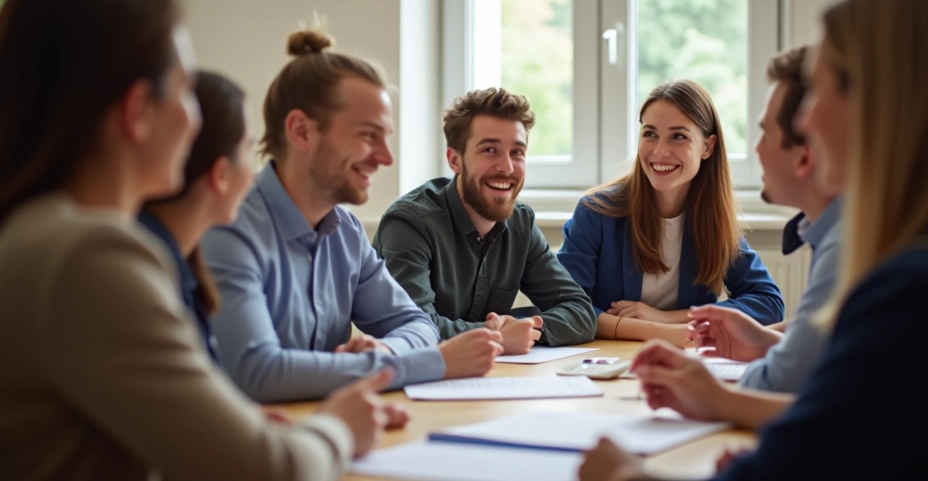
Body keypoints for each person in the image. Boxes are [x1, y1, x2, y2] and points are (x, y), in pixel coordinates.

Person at [581, 0, 928, 481]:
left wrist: (623, 475)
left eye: (821, 87)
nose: (806, 122)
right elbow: (858, 426)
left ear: (881, 104)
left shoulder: (920, 286)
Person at [0, 0, 399, 481]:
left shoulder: (46, 235)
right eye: (186, 88)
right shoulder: (87, 255)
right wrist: (337, 426)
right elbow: (265, 470)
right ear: (138, 108)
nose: (197, 119)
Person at [202, 29, 503, 403]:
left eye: (386, 137)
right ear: (301, 131)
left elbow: (415, 323)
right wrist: (433, 363)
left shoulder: (345, 231)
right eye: (368, 135)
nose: (386, 157)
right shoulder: (228, 228)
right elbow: (258, 372)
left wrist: (386, 354)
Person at [557, 80, 784, 348]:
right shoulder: (595, 212)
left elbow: (768, 303)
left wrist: (668, 319)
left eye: (678, 136)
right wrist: (654, 330)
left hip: (683, 359)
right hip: (604, 358)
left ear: (708, 147)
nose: (660, 151)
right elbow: (567, 307)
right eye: (650, 134)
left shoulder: (713, 219)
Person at [373, 88, 597, 354]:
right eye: (490, 150)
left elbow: (581, 312)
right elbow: (413, 328)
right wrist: (498, 336)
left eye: (517, 152)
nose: (507, 167)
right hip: (413, 381)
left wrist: (525, 326)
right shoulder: (409, 224)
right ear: (455, 160)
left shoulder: (521, 224)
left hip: (492, 377)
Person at [685, 45, 842, 400]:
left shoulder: (847, 244)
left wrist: (706, 392)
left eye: (766, 133)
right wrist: (768, 343)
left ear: (806, 152)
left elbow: (782, 382)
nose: (755, 149)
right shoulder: (834, 232)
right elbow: (827, 343)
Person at [139, 71, 254, 363]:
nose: (254, 174)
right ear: (221, 174)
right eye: (247, 150)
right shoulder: (145, 269)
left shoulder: (175, 260)